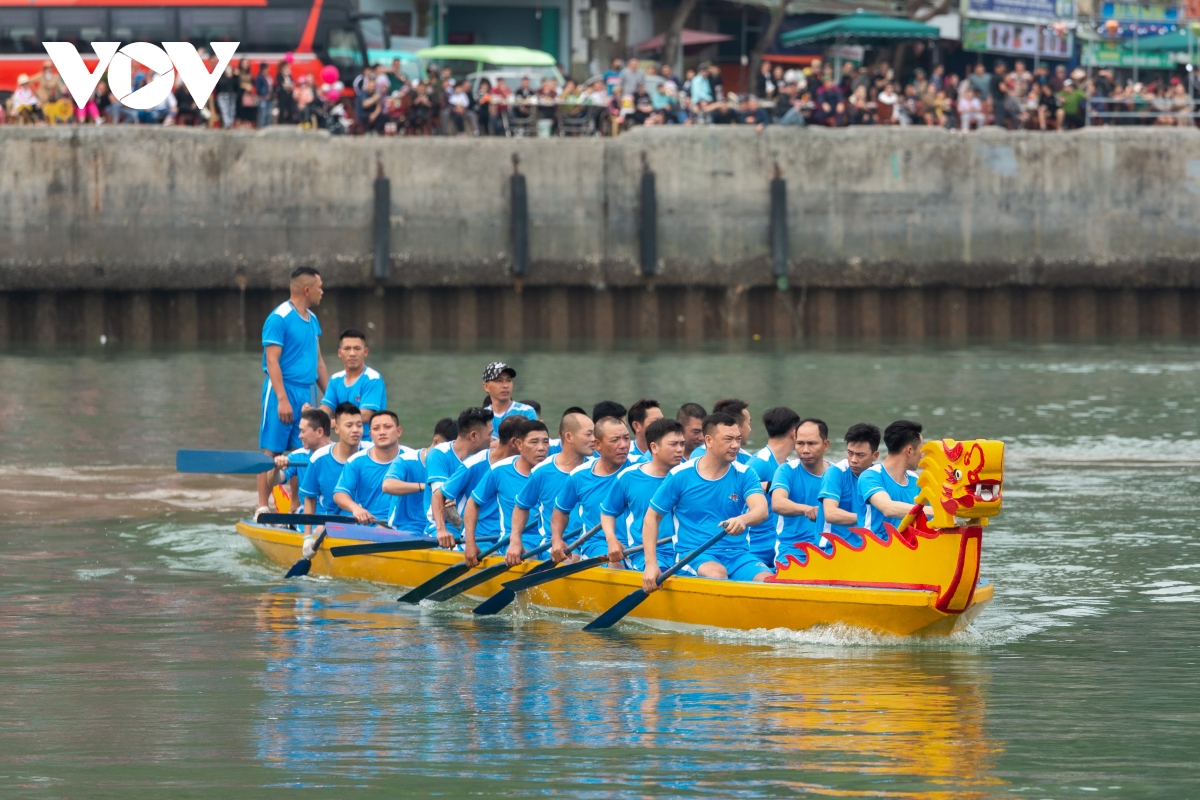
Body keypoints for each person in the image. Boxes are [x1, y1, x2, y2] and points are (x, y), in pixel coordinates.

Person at [642, 412, 770, 587]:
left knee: (768, 580)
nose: (735, 446)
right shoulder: (680, 475)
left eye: (738, 439)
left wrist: (743, 519)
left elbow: (761, 510)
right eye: (728, 439)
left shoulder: (745, 473)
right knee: (717, 574)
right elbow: (652, 517)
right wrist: (651, 565)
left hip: (738, 554)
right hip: (694, 555)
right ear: (708, 440)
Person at [257, 267, 328, 517]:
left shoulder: (313, 319)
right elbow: (272, 361)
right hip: (282, 390)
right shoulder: (279, 317)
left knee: (304, 451)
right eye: (319, 287)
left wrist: (331, 399)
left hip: (307, 392)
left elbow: (318, 362)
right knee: (273, 451)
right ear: (307, 289)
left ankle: (296, 505)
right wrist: (282, 400)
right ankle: (262, 506)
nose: (322, 291)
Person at [458, 418, 548, 566]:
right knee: (529, 559)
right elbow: (473, 503)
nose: (541, 448)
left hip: (550, 540)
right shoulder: (500, 470)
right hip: (515, 542)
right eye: (534, 442)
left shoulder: (555, 471)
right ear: (519, 444)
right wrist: (470, 542)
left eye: (545, 442)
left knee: (573, 558)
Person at [600, 417, 685, 571]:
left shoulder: (690, 474)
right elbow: (607, 512)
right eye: (673, 444)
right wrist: (611, 539)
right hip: (645, 553)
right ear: (654, 447)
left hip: (685, 551)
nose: (680, 449)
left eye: (682, 444)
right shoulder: (629, 477)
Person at [511, 409, 595, 558]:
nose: (594, 439)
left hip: (592, 542)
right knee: (572, 559)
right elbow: (521, 507)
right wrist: (515, 540)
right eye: (589, 434)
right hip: (555, 546)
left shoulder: (596, 468)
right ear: (569, 437)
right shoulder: (542, 471)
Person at [549, 416, 633, 562]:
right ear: (597, 444)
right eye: (615, 440)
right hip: (598, 544)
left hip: (637, 543)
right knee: (615, 564)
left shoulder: (640, 469)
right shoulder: (579, 476)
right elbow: (560, 511)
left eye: (626, 438)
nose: (623, 445)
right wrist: (556, 540)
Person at [444, 416, 524, 565]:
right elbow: (442, 498)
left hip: (512, 536)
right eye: (529, 440)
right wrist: (468, 540)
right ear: (515, 442)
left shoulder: (527, 466)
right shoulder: (474, 463)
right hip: (483, 538)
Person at [425, 407, 494, 546]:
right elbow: (442, 500)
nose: (492, 440)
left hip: (475, 528)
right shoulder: (439, 454)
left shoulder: (484, 458)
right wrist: (442, 530)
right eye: (490, 435)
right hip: (445, 528)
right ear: (473, 436)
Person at [771, 418, 832, 566]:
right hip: (793, 548)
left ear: (825, 445)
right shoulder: (786, 470)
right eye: (800, 443)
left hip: (829, 548)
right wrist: (806, 509)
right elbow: (777, 503)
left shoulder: (836, 474)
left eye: (811, 443)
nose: (805, 450)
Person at [382, 417, 458, 534]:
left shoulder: (454, 465)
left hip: (436, 527)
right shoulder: (405, 460)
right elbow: (387, 485)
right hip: (406, 528)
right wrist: (426, 487)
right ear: (436, 442)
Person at [745, 406, 801, 565]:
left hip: (778, 540)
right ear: (794, 433)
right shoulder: (759, 462)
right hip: (755, 544)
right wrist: (766, 486)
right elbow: (733, 494)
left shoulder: (788, 467)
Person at [332, 411, 407, 524]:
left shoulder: (412, 458)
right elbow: (339, 494)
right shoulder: (356, 461)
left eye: (387, 427)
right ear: (371, 435)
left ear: (399, 431)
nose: (382, 432)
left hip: (407, 525)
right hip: (370, 524)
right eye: (376, 428)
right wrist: (356, 508)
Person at [299, 403, 368, 518]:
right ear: (337, 429)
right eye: (349, 425)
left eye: (359, 425)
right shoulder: (318, 458)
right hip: (331, 524)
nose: (355, 430)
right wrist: (308, 535)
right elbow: (310, 498)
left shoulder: (373, 452)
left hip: (367, 521)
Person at [817, 423, 880, 549]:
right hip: (832, 550)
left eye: (860, 455)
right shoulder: (835, 473)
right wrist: (867, 518)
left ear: (875, 456)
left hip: (866, 550)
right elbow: (830, 514)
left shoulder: (878, 476)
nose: (853, 460)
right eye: (850, 453)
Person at [858, 420, 924, 538]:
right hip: (873, 550)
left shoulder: (915, 480)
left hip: (905, 550)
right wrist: (936, 512)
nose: (922, 455)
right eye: (921, 450)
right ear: (909, 450)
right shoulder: (870, 476)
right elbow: (888, 508)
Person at [319, 328, 386, 442]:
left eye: (357, 348)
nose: (352, 353)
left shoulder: (373, 379)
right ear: (339, 353)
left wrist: (329, 423)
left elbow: (365, 415)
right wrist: (314, 416)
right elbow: (326, 408)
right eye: (347, 348)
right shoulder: (335, 379)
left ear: (365, 352)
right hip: (345, 442)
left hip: (369, 441)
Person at [265, 407, 332, 511]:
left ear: (319, 432)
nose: (299, 436)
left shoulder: (343, 455)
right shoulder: (297, 456)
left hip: (338, 519)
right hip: (307, 521)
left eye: (302, 431)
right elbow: (272, 481)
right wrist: (276, 468)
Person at [481, 361, 537, 438]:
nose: (506, 385)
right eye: (499, 381)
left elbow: (531, 441)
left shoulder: (526, 412)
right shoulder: (482, 416)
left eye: (509, 380)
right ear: (486, 386)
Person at [690, 399, 753, 464]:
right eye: (749, 424)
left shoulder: (748, 461)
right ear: (735, 425)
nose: (750, 429)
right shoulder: (698, 458)